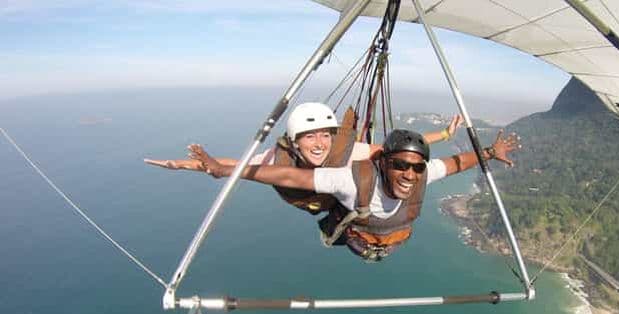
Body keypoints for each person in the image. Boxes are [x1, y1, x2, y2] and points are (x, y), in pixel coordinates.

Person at [188, 128, 520, 261]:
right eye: (401, 165)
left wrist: (490, 151)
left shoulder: (422, 175)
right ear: (385, 162)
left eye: (416, 168)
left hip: (390, 240)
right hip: (358, 239)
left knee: (428, 176)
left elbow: (458, 162)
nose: (409, 174)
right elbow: (290, 174)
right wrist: (223, 169)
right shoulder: (350, 180)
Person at [145, 102, 463, 215]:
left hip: (337, 198)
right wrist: (183, 165)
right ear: (295, 143)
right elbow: (230, 165)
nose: (320, 143)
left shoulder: (346, 150)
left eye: (325, 135)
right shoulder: (276, 158)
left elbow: (393, 150)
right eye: (310, 137)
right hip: (308, 198)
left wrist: (444, 136)